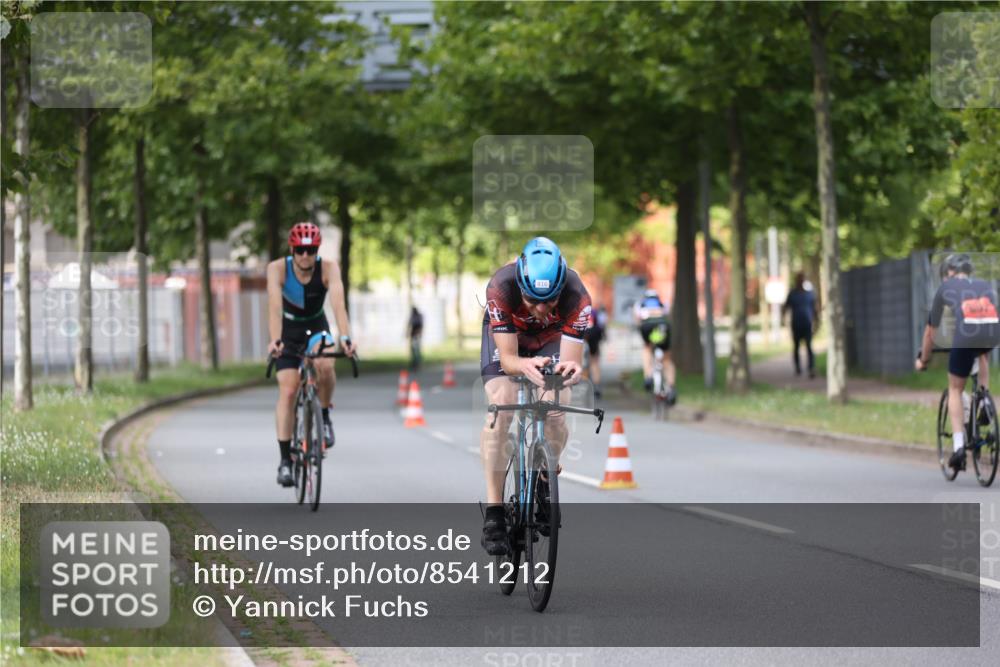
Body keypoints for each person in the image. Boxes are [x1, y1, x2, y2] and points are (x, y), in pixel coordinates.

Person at [480, 237, 591, 555]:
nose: (541, 309)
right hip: (509, 340)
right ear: (520, 285)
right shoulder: (501, 287)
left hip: (550, 340)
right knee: (501, 405)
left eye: (550, 300)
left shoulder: (577, 296)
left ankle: (544, 479)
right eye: (532, 300)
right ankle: (495, 512)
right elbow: (508, 360)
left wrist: (571, 372)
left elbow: (571, 363)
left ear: (561, 289)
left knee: (556, 406)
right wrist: (523, 365)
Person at [267, 223, 356, 487]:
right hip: (288, 330)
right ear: (292, 249)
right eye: (300, 250)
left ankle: (324, 417)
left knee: (326, 364)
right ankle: (285, 460)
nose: (305, 255)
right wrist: (275, 340)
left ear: (317, 250)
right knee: (288, 390)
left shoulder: (328, 268)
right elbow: (274, 307)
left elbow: (338, 305)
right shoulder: (277, 269)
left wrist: (346, 337)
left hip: (317, 327)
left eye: (311, 250)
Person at [916, 253, 1000, 474]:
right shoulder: (983, 284)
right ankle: (984, 402)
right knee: (982, 353)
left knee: (955, 388)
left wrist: (923, 360)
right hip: (992, 333)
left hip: (966, 337)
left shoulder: (945, 288)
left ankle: (959, 448)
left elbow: (930, 333)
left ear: (949, 273)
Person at [634, 288, 675, 403]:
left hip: (647, 327)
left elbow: (637, 320)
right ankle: (671, 387)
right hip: (662, 326)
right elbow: (668, 316)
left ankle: (648, 377)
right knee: (667, 359)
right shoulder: (663, 304)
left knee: (647, 348)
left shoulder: (640, 304)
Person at [782, 272, 819, 378]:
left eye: (802, 279)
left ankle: (811, 368)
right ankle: (798, 368)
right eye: (799, 279)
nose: (800, 281)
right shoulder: (792, 294)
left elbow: (814, 308)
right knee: (796, 347)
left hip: (807, 324)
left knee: (809, 346)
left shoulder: (809, 294)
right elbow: (785, 307)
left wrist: (817, 321)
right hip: (796, 324)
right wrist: (783, 321)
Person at [584, 305, 608, 399]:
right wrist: (603, 336)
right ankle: (596, 387)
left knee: (583, 363)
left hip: (583, 336)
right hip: (594, 336)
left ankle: (585, 387)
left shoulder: (578, 310)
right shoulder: (595, 311)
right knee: (595, 362)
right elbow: (601, 325)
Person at [406, 306, 424, 371]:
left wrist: (419, 333)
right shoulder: (412, 317)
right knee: (413, 349)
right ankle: (414, 363)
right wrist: (407, 333)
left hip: (417, 334)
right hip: (413, 334)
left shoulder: (419, 316)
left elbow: (421, 326)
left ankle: (418, 363)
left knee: (417, 349)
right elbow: (409, 325)